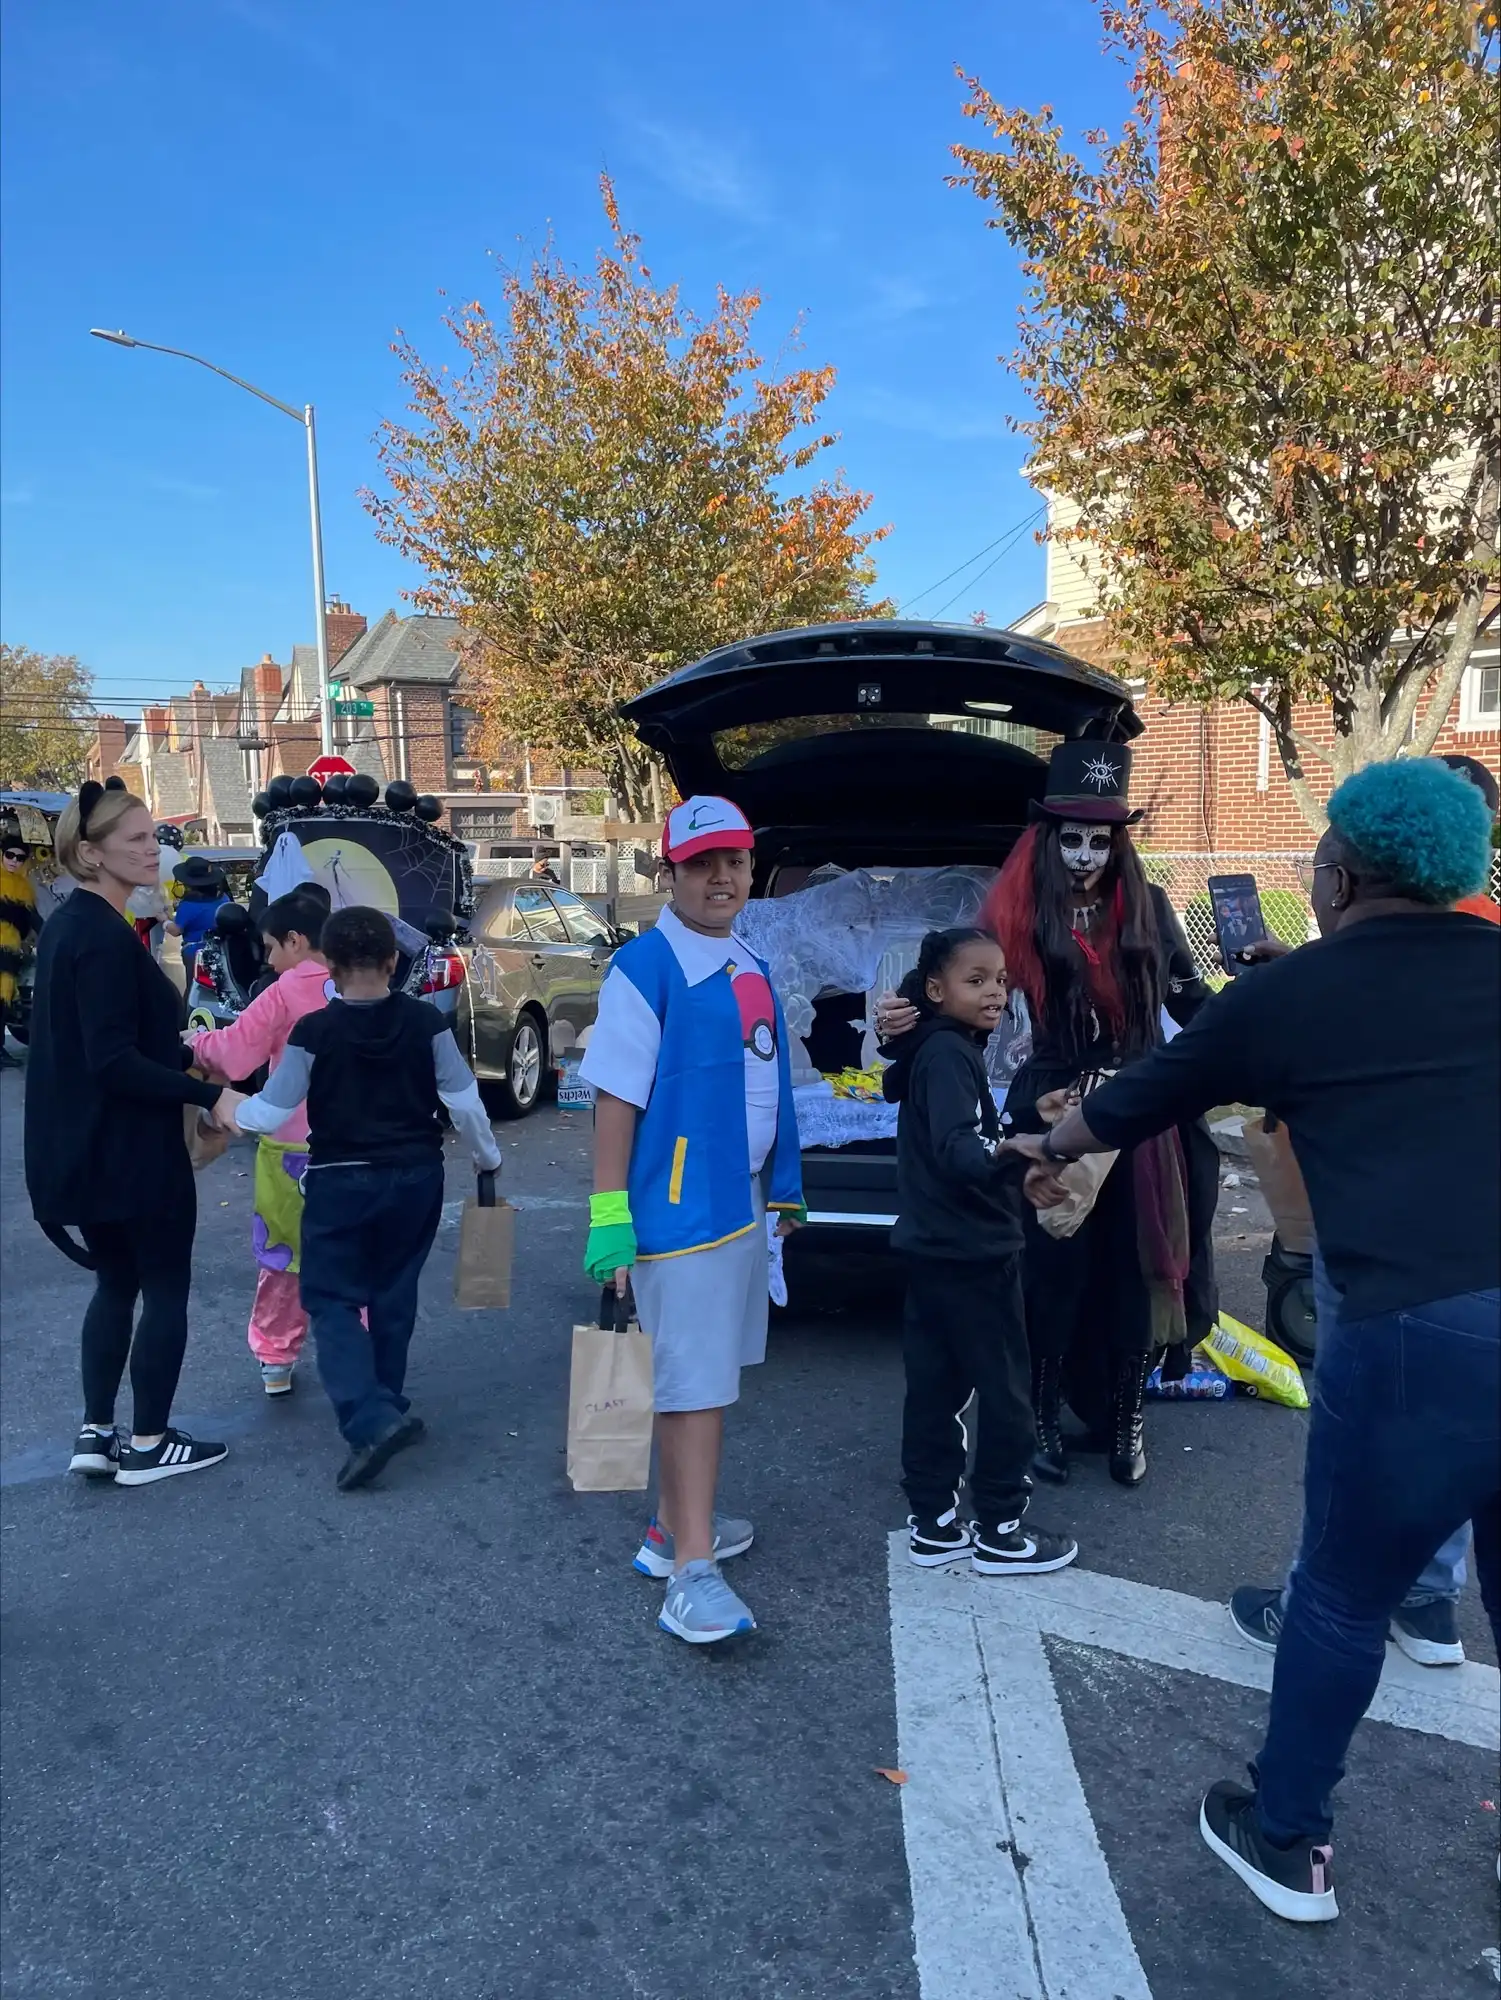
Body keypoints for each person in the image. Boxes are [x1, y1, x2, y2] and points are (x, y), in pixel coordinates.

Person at [1005, 757, 1499, 1923]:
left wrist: (1046, 1146)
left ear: (1334, 873)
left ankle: (1288, 1838)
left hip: (1412, 1325)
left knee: (1337, 1591)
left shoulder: (1294, 993)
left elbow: (1137, 1095)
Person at [878, 739, 1218, 1486]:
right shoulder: (1017, 911)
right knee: (1052, 1269)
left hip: (1137, 1107)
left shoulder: (1151, 908)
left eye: (1101, 838)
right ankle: (1037, 1418)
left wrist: (1256, 1029)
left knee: (1134, 1265)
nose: (1086, 853)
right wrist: (896, 1023)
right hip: (1051, 1101)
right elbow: (935, 989)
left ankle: (1124, 1417)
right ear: (1048, 837)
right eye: (1072, 837)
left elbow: (1193, 1006)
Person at [578, 795, 806, 1646]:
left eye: (735, 861)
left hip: (736, 1205)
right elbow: (614, 1098)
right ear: (669, 872)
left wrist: (779, 1194)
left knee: (704, 1373)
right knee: (692, 1386)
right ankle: (691, 1572)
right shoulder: (645, 967)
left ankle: (674, 1529)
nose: (721, 876)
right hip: (679, 1214)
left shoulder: (746, 957)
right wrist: (610, 1218)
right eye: (702, 863)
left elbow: (762, 1084)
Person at [222, 905, 502, 1491]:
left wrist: (226, 1109)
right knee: (394, 1291)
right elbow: (464, 1102)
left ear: (333, 966)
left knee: (330, 1298)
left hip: (340, 1179)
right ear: (392, 961)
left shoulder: (315, 1031)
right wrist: (487, 1159)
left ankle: (369, 1417)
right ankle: (388, 1402)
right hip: (416, 1176)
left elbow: (271, 1112)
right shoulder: (426, 1023)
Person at [24, 778, 241, 1485]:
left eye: (155, 837)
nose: (155, 851)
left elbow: (115, 1044)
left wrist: (191, 1059)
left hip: (82, 1147)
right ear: (90, 854)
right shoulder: (102, 938)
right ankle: (148, 1444)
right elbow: (113, 1061)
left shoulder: (72, 927)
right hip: (130, 1149)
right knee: (165, 1285)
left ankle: (97, 1431)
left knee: (116, 1282)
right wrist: (205, 1092)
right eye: (138, 840)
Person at [883, 927, 1078, 1577]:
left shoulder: (935, 1050)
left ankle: (933, 1525)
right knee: (1004, 1395)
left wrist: (1018, 1133)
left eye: (999, 979)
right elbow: (957, 1148)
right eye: (975, 981)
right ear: (936, 990)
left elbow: (958, 1136)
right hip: (973, 1255)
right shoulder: (947, 1056)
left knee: (933, 1392)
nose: (994, 991)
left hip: (932, 1251)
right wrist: (1017, 1158)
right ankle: (1000, 1530)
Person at [188, 891, 335, 1396]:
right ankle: (360, 1353)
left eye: (272, 947)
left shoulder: (284, 991)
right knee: (355, 1255)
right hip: (363, 1147)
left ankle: (277, 1357)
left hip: (292, 1146)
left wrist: (192, 1043)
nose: (269, 959)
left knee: (282, 1258)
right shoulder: (360, 983)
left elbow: (235, 1056)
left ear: (296, 940)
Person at [0, 834, 38, 1067]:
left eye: (20, 857)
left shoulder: (25, 888)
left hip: (11, 950)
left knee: (5, 998)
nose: (14, 861)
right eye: (9, 855)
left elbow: (31, 921)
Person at [166, 855, 230, 985]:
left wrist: (164, 921)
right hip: (221, 950)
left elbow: (177, 930)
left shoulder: (188, 905)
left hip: (195, 954)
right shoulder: (223, 899)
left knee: (194, 987)